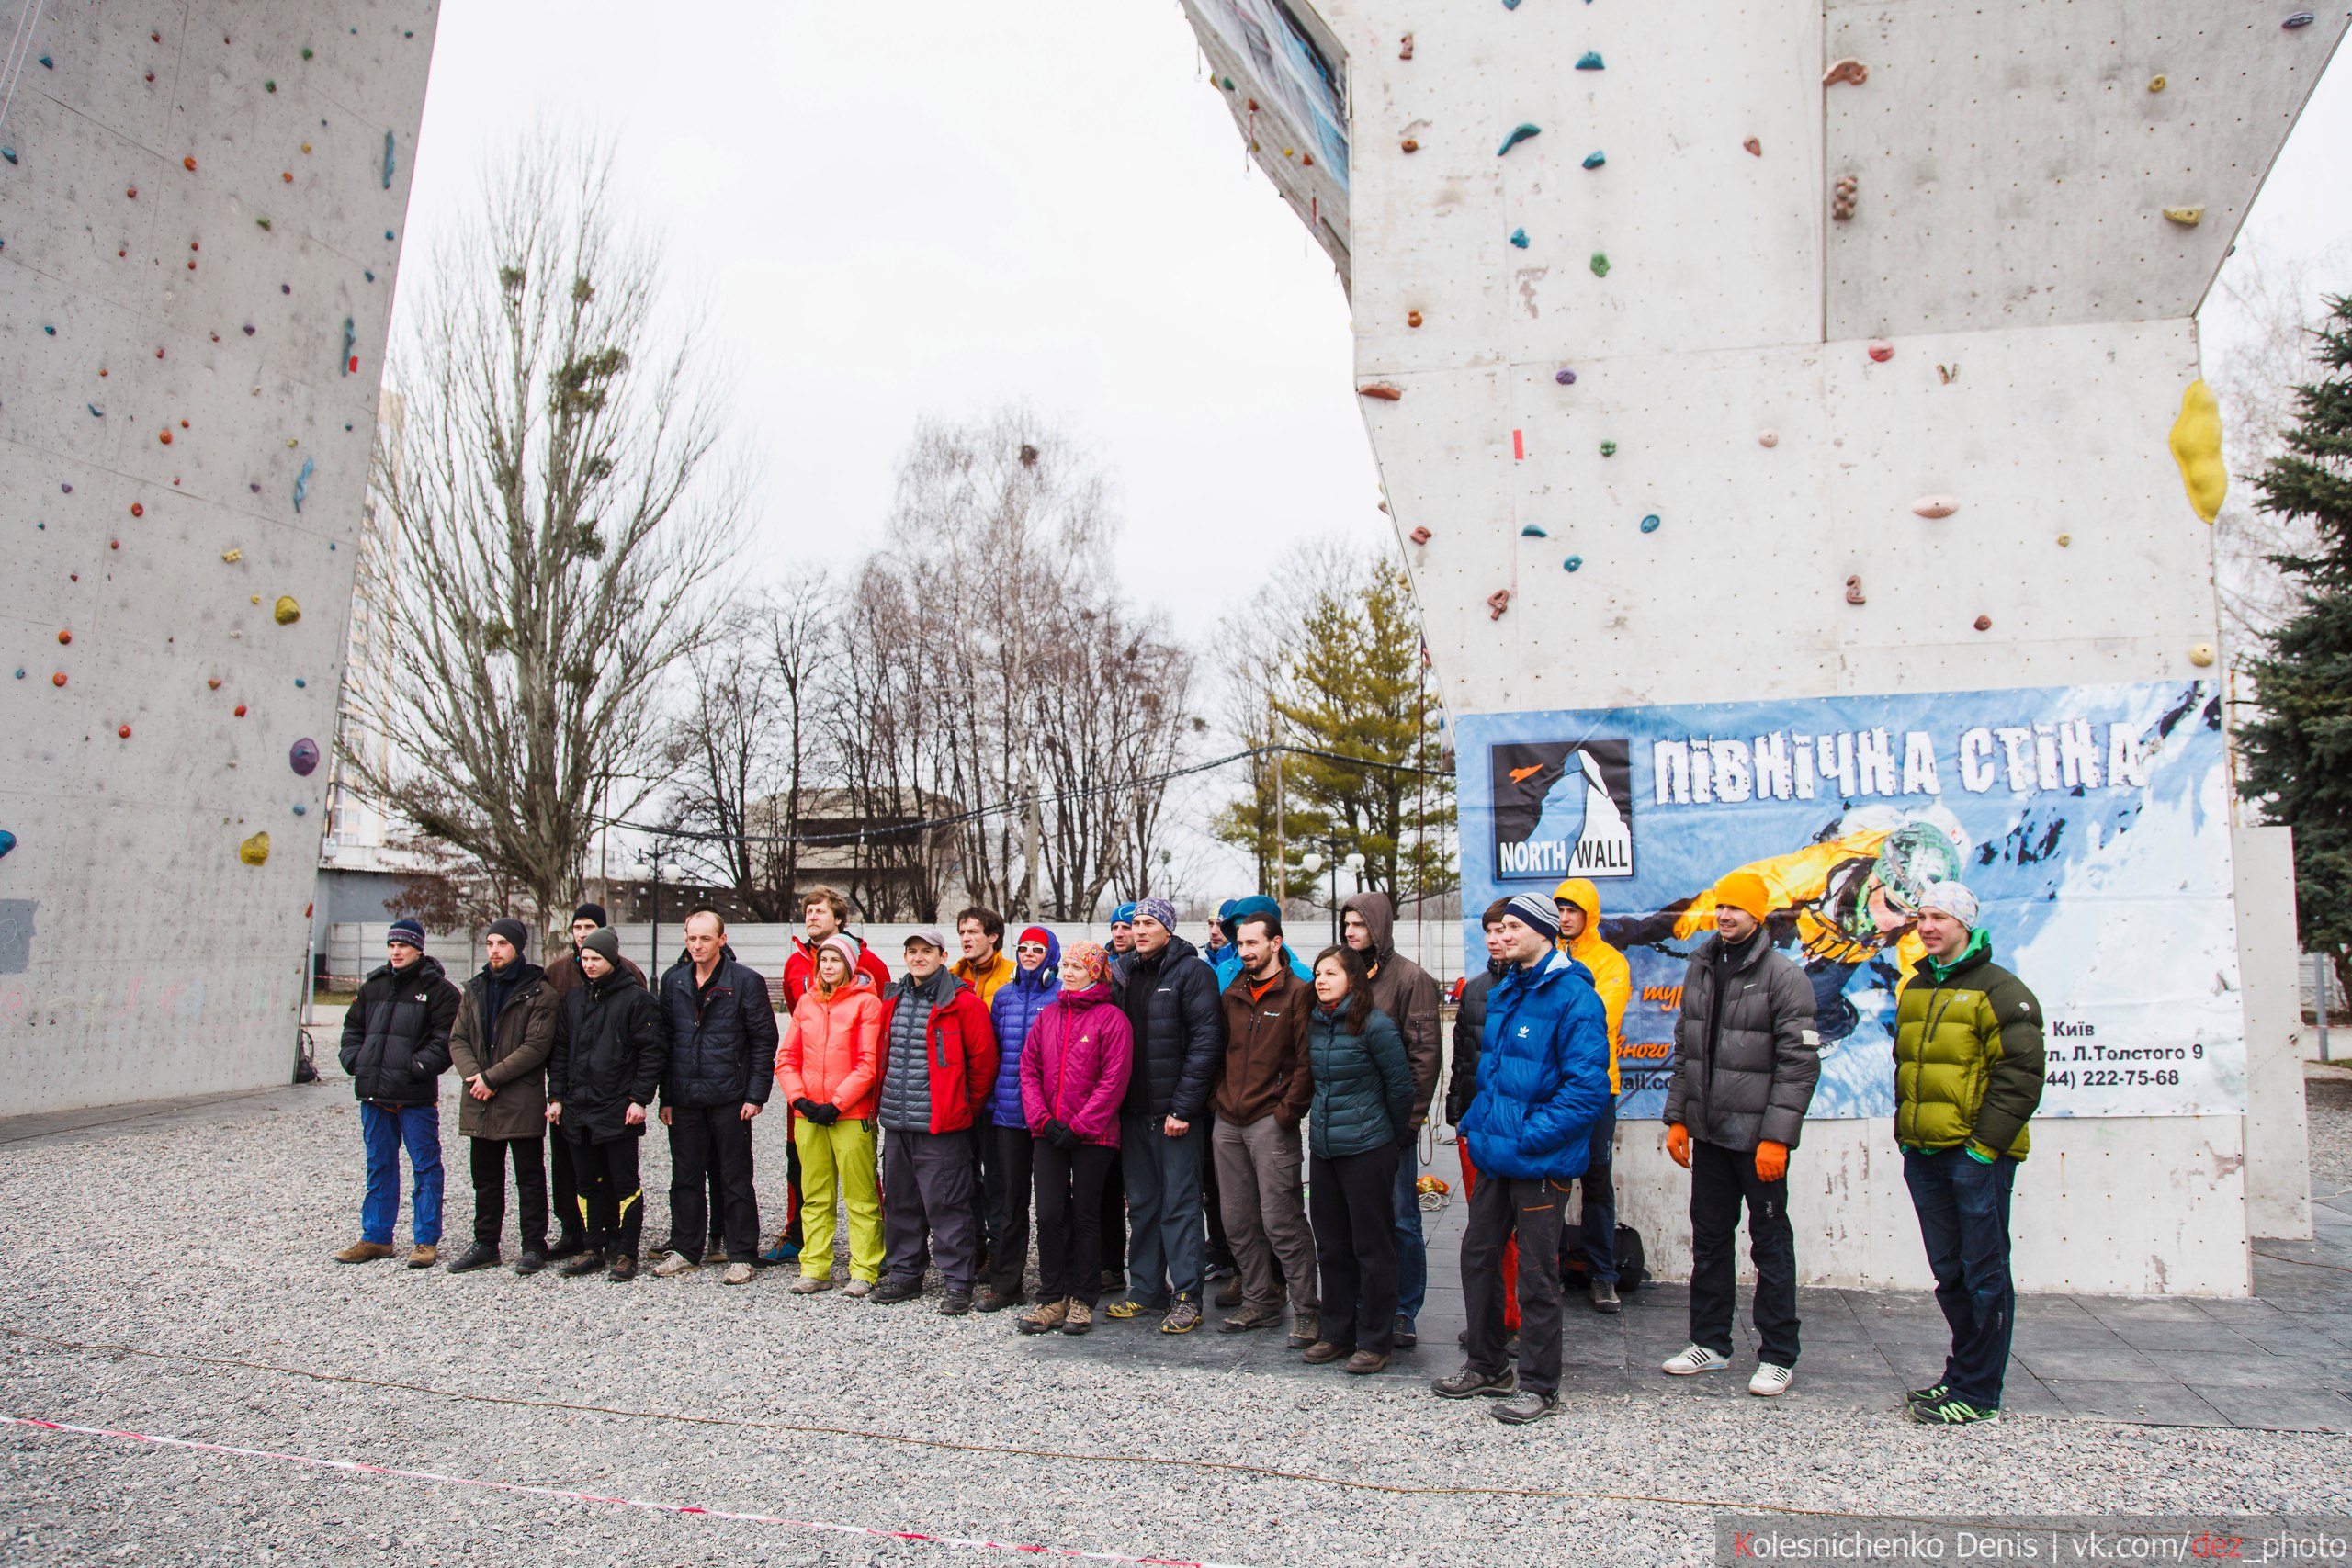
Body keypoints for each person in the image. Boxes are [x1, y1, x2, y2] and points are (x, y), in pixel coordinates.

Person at [1433, 894, 1611, 1426]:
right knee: (1479, 1258)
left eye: (1514, 926)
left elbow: (1586, 1091)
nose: (1503, 935)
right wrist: (1478, 1123)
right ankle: (1487, 1366)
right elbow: (1490, 1074)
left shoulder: (1575, 997)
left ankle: (1539, 1384)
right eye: (1500, 927)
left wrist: (1529, 1136)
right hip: (1495, 1154)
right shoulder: (1509, 988)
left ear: (1542, 931)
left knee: (1537, 1274)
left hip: (1540, 1163)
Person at [1659, 870, 1821, 1396]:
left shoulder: (1783, 976)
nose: (1725, 915)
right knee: (1709, 1241)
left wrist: (1777, 1138)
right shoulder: (1702, 967)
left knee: (1770, 1244)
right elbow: (1686, 1049)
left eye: (1736, 908)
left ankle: (1778, 1354)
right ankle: (1710, 1343)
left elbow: (1799, 1065)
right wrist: (1679, 1117)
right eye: (1720, 906)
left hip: (1758, 1142)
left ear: (1759, 914)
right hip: (1709, 1136)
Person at [1894, 881, 2044, 1427]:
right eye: (1922, 916)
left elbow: (2021, 1078)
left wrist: (1983, 1150)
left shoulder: (2001, 991)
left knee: (1984, 1273)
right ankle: (1960, 1374)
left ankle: (1980, 1393)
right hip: (1925, 1152)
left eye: (1939, 917)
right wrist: (1908, 1136)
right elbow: (1909, 1070)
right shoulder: (1915, 988)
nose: (1928, 926)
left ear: (1966, 924)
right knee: (1950, 1272)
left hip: (1974, 1157)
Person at [1107, 897, 1225, 1334]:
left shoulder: (1192, 973)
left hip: (1174, 1116)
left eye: (1149, 922)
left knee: (1180, 1207)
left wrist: (1183, 1107)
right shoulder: (1127, 974)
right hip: (1134, 1113)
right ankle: (1146, 1290)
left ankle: (1187, 1296)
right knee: (1142, 1206)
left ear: (1168, 929)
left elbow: (1205, 1044)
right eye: (1135, 922)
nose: (1139, 929)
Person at [1300, 945, 1415, 1374]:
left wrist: (1391, 1136)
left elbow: (1400, 1088)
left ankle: (1374, 1340)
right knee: (1331, 1245)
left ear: (1353, 978)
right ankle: (1336, 1333)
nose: (1322, 980)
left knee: (1373, 1246)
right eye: (1317, 973)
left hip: (1368, 1148)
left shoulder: (1375, 1025)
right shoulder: (1314, 1022)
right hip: (1326, 1148)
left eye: (1331, 972)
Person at [874, 928, 999, 1312]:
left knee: (948, 1205)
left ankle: (958, 1282)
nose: (917, 957)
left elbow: (983, 1064)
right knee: (901, 1203)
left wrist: (962, 1108)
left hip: (941, 1126)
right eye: (911, 951)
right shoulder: (892, 998)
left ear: (942, 957)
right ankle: (905, 1274)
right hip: (898, 1123)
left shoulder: (963, 1003)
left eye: (926, 951)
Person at [651, 908, 778, 1286]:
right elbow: (666, 1042)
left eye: (705, 938)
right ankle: (687, 1249)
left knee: (736, 1177)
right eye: (691, 938)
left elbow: (763, 1040)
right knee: (685, 1177)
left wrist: (755, 1094)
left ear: (722, 940)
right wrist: (666, 1097)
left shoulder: (745, 982)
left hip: (730, 1096)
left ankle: (741, 1253)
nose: (697, 945)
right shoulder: (673, 981)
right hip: (686, 1096)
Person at [1339, 892, 1442, 1350]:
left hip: (1392, 1121)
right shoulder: (1346, 976)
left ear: (1379, 926)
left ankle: (1403, 1308)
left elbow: (1424, 1057)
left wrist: (1410, 1120)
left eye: (1359, 924)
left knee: (1402, 1219)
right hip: (1350, 1121)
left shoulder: (1410, 978)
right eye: (1346, 924)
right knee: (1359, 1219)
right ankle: (1366, 1301)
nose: (1350, 932)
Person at [1211, 908, 1318, 1346]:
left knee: (1282, 1220)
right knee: (1236, 1220)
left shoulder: (1298, 994)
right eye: (1240, 944)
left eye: (1253, 943)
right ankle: (1260, 1301)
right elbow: (1217, 1050)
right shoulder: (1233, 990)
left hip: (1270, 1122)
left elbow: (1307, 1062)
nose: (1245, 951)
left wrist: (1286, 1112)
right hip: (1227, 1121)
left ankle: (1309, 1310)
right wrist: (1216, 1101)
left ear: (1276, 943)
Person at [1018, 941, 1134, 1336]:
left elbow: (1113, 1081)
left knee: (1086, 1216)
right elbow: (1029, 1070)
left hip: (1093, 1137)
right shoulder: (1048, 1016)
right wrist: (1043, 1121)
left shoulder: (1112, 1019)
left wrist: (1080, 1126)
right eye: (1065, 965)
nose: (1067, 972)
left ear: (1096, 973)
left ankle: (1083, 1300)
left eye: (1077, 967)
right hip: (1048, 1133)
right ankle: (1052, 1297)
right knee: (1049, 1214)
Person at [775, 886, 890, 1268]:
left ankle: (866, 1266)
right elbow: (787, 1056)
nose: (826, 965)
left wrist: (836, 1104)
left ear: (850, 963)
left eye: (834, 959)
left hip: (849, 1113)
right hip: (808, 1113)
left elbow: (868, 1063)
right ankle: (815, 1265)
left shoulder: (867, 1002)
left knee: (860, 1196)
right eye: (822, 960)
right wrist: (799, 1100)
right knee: (815, 1194)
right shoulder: (807, 1001)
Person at [334, 919, 458, 1268]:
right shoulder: (372, 986)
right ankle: (375, 1237)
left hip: (414, 1096)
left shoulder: (440, 991)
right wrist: (354, 1061)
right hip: (374, 1095)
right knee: (379, 1166)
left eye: (403, 945)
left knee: (426, 1167)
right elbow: (352, 1028)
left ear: (419, 948)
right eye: (391, 945)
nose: (396, 951)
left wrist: (415, 1067)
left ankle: (425, 1241)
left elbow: (446, 1040)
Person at [545, 928, 667, 1280]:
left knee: (625, 1183)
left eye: (596, 958)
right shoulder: (573, 1001)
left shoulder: (635, 1000)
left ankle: (625, 1250)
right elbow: (561, 1052)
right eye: (584, 959)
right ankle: (591, 1246)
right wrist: (556, 1096)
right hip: (578, 1109)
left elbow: (652, 1052)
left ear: (612, 959)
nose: (590, 965)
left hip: (617, 1108)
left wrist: (639, 1099)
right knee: (586, 1183)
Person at [444, 918, 559, 1275]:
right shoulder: (475, 989)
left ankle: (533, 1246)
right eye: (491, 943)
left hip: (519, 1099)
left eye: (502, 944)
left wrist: (491, 1078)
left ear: (518, 948)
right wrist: (473, 1076)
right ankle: (485, 1243)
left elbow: (535, 1047)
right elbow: (457, 1039)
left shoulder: (540, 992)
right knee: (486, 1177)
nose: (494, 949)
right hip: (480, 1099)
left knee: (529, 1176)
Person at [1554, 878, 1632, 1314]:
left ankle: (1604, 1275)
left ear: (1590, 915)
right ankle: (1554, 1268)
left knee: (1597, 1179)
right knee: (1553, 1179)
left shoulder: (1612, 961)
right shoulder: (1550, 957)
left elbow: (1599, 1021)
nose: (1565, 917)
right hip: (1554, 1086)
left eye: (1573, 910)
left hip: (1600, 1085)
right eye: (1560, 910)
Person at [1444, 900, 1520, 1337]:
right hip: (1474, 1126)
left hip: (1517, 1130)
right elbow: (1461, 1061)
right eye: (1489, 930)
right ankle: (1491, 1319)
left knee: (1519, 1233)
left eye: (1504, 929)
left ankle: (1516, 1317)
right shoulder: (1473, 989)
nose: (1495, 939)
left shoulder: (1544, 987)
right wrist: (1456, 1113)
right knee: (1484, 1230)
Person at [981, 926, 1061, 1312]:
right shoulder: (1003, 996)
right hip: (1010, 1116)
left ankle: (1056, 1285)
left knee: (1052, 1205)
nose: (1029, 954)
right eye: (1024, 948)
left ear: (1051, 956)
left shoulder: (1063, 994)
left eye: (1038, 949)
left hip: (1048, 1117)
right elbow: (994, 1051)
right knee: (1009, 1201)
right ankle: (1006, 1283)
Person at [954, 907, 1018, 1280]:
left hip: (997, 1095)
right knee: (963, 1176)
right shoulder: (951, 976)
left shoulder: (1011, 974)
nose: (966, 938)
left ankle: (999, 1250)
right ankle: (972, 1245)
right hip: (958, 1095)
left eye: (974, 931)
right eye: (962, 931)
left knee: (997, 1179)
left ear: (993, 936)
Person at [1211, 895, 1315, 988]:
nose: (1243, 933)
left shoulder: (1303, 976)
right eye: (1238, 928)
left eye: (1252, 928)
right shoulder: (1224, 972)